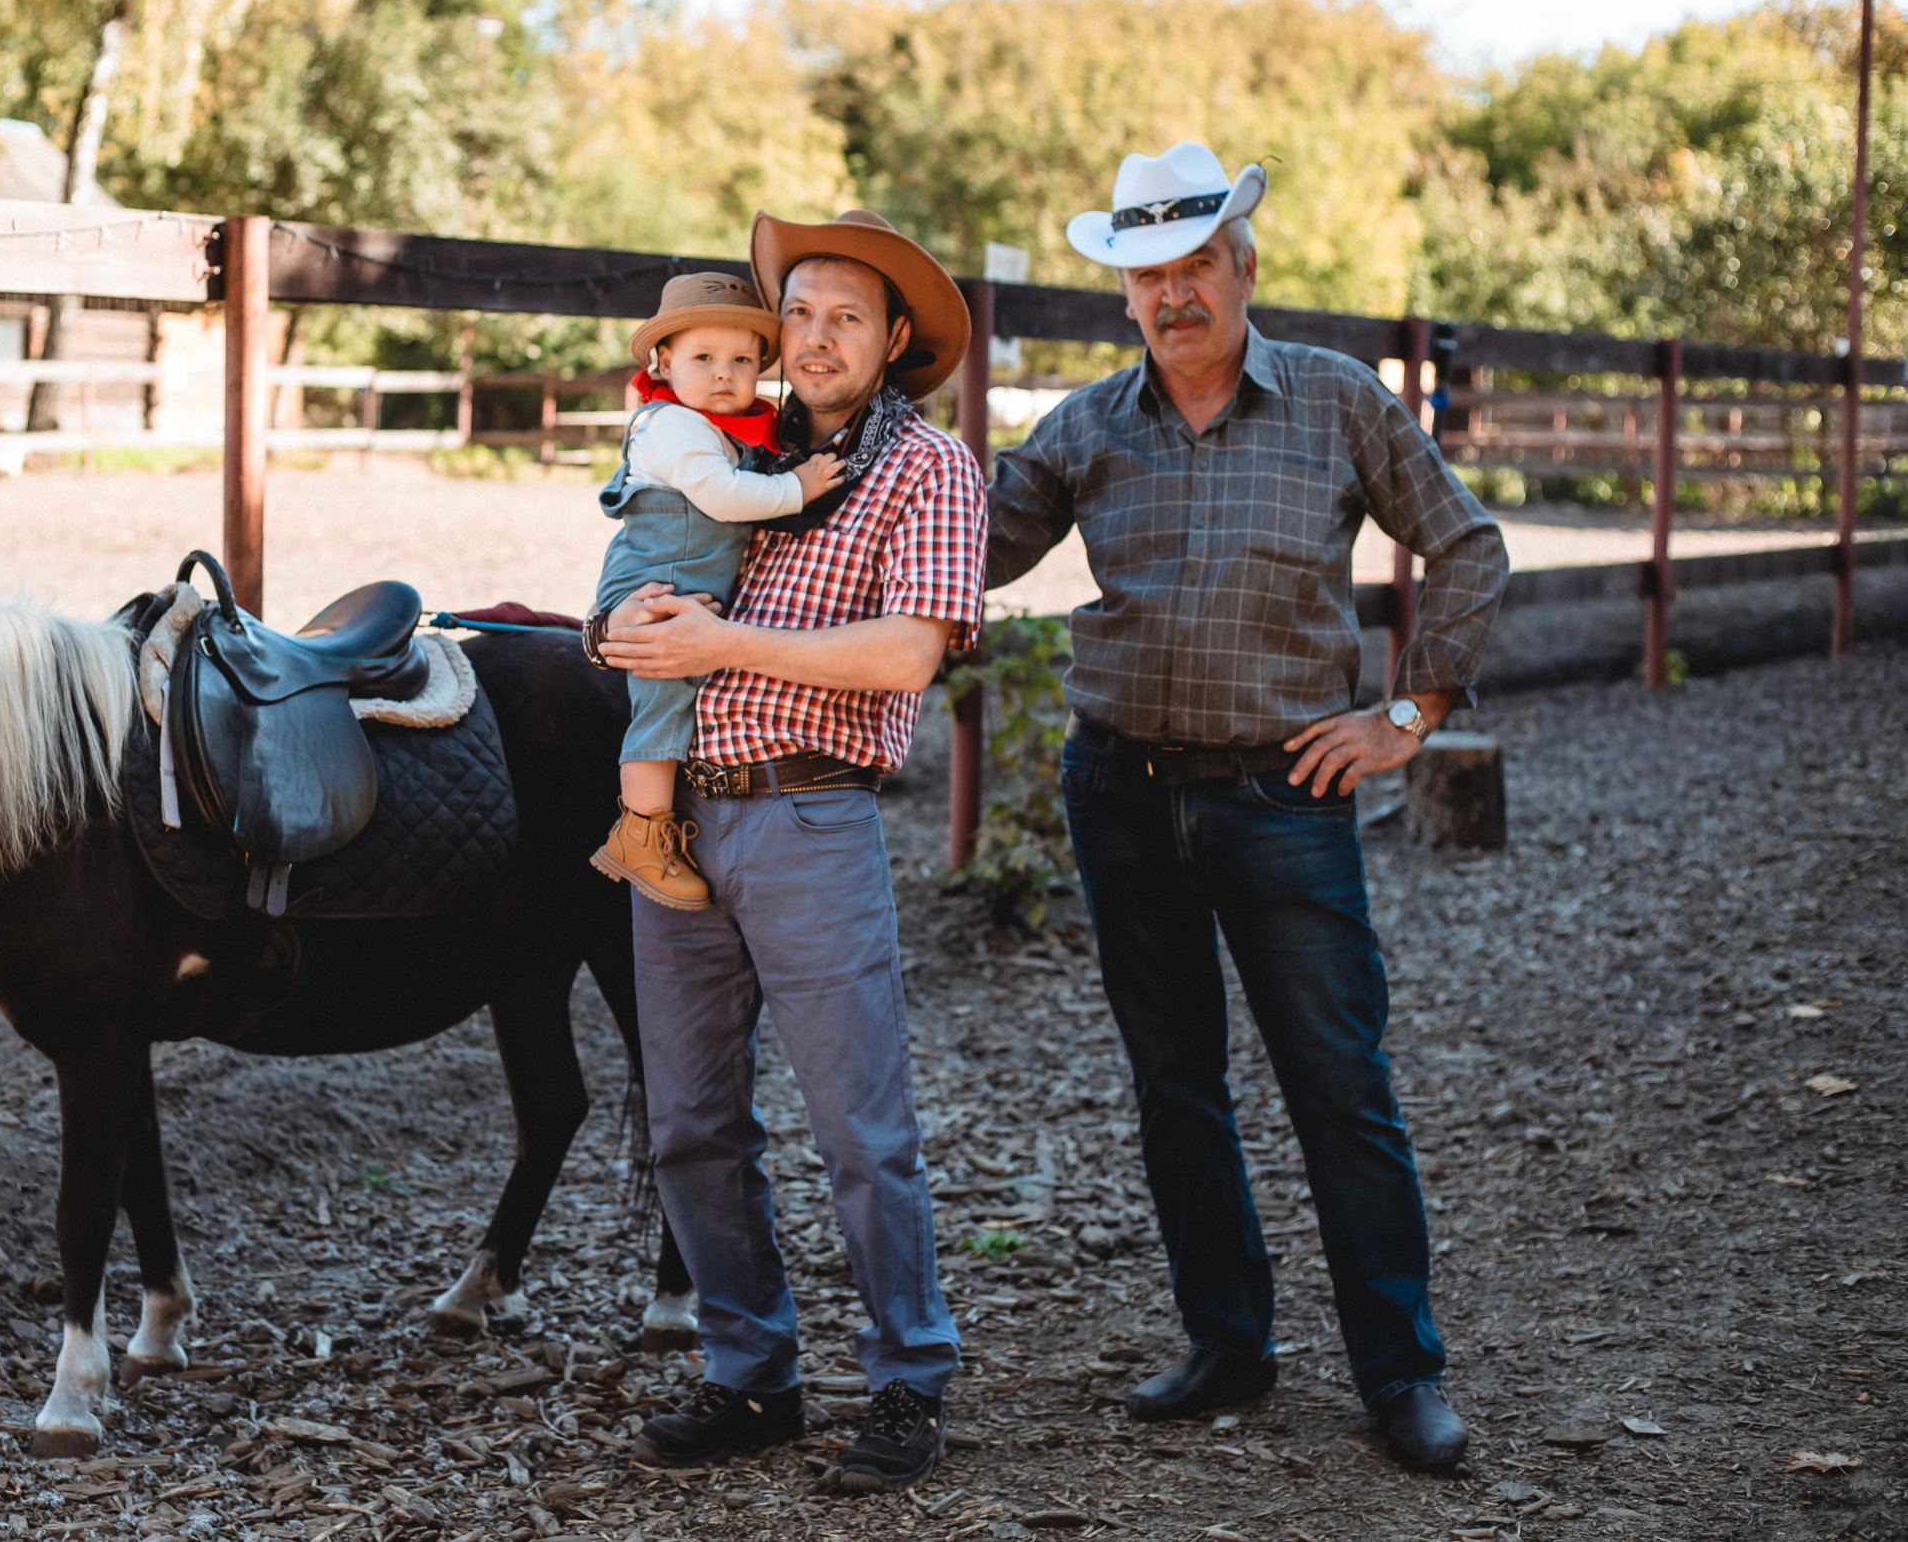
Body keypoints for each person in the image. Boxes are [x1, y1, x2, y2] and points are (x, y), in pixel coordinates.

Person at [984, 142, 1510, 1468]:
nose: (1173, 294)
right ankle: (1227, 1343)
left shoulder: (1334, 398)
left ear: (1245, 267)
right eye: (1146, 275)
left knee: (1339, 1083)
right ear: (1123, 294)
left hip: (1284, 793)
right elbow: (966, 548)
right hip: (1118, 788)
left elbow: (1467, 543)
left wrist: (1408, 715)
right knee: (1175, 1082)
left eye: (1196, 265)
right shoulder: (1084, 427)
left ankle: (1400, 1371)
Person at [590, 209, 986, 1494]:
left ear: (894, 339)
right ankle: (751, 1370)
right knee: (690, 1122)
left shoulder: (928, 470)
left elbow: (906, 654)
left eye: (845, 318)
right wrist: (616, 627)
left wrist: (718, 645)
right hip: (680, 819)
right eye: (798, 313)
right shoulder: (724, 442)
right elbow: (638, 571)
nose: (814, 338)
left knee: (859, 1125)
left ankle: (908, 1377)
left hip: (809, 814)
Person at [588, 272, 845, 910]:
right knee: (664, 699)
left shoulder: (717, 425)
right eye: (703, 358)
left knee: (673, 694)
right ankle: (640, 833)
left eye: (741, 361)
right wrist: (798, 487)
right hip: (657, 582)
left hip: (683, 576)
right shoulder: (673, 425)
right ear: (663, 361)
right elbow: (724, 496)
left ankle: (651, 824)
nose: (724, 373)